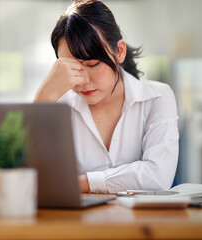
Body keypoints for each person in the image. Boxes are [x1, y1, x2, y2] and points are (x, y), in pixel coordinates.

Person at [34, 0, 179, 193]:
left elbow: (157, 176)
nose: (82, 80)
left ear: (119, 51)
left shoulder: (156, 98)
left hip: (139, 222)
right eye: (70, 68)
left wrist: (80, 183)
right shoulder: (58, 105)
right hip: (75, 221)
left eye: (93, 64)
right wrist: (43, 97)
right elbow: (29, 177)